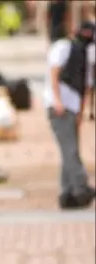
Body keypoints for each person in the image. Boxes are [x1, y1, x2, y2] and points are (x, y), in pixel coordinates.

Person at [43, 21, 96, 209]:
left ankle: (67, 195)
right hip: (59, 107)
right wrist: (57, 100)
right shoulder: (63, 47)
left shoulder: (87, 54)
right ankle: (81, 187)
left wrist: (83, 112)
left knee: (69, 151)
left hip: (73, 108)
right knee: (70, 150)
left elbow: (86, 87)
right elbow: (54, 74)